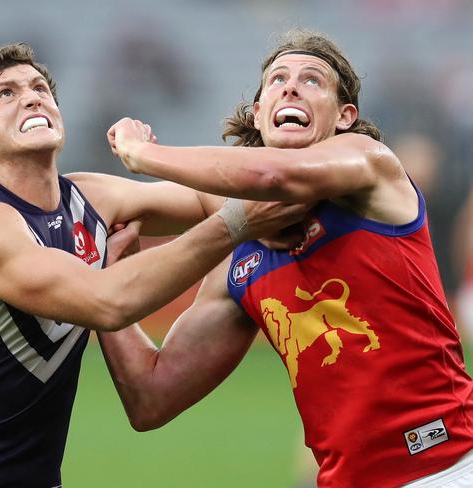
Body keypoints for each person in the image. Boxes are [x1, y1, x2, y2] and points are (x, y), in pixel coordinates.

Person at [0, 44, 309, 488]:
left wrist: (291, 176)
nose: (33, 97)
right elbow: (109, 301)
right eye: (6, 93)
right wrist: (240, 222)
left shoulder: (89, 198)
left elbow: (207, 197)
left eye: (40, 87)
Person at [100, 30, 473, 487]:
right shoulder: (241, 257)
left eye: (313, 80)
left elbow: (274, 176)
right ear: (258, 114)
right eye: (277, 79)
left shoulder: (371, 164)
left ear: (344, 117)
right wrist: (101, 274)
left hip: (449, 468)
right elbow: (150, 397)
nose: (291, 87)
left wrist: (144, 153)